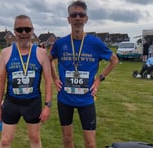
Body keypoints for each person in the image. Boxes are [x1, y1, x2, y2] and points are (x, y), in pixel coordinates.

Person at [49, 1, 119, 148]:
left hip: (86, 100)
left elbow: (114, 60)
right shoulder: (60, 43)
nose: (78, 18)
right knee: (67, 141)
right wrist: (55, 78)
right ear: (69, 19)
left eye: (82, 15)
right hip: (65, 98)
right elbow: (48, 60)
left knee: (90, 143)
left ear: (86, 19)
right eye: (74, 15)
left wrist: (99, 79)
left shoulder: (95, 43)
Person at [0, 14, 52, 148]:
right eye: (20, 30)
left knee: (35, 139)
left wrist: (47, 106)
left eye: (27, 29)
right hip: (11, 103)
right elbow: (0, 81)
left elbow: (48, 81)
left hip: (33, 103)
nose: (24, 33)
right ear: (15, 32)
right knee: (5, 141)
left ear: (32, 30)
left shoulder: (41, 53)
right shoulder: (5, 52)